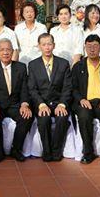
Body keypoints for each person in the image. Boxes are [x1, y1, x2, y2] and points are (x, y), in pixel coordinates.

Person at [0, 38, 33, 162]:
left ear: (13, 52)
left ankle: (16, 149)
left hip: (15, 105)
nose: (5, 52)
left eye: (8, 50)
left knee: (26, 117)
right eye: (2, 50)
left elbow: (24, 89)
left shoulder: (21, 67)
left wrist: (24, 104)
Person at [72, 34, 100, 165]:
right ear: (85, 48)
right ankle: (88, 153)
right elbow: (73, 88)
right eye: (89, 46)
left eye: (95, 46)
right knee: (84, 117)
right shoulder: (78, 67)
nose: (92, 49)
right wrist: (81, 99)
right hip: (85, 101)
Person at [28, 33, 72, 162]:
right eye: (44, 45)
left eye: (49, 44)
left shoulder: (63, 63)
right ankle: (47, 151)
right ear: (39, 46)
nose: (47, 47)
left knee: (62, 118)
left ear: (54, 45)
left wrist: (62, 104)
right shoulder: (33, 65)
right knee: (43, 119)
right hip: (42, 103)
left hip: (59, 102)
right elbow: (32, 89)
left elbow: (67, 87)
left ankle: (56, 151)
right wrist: (41, 104)